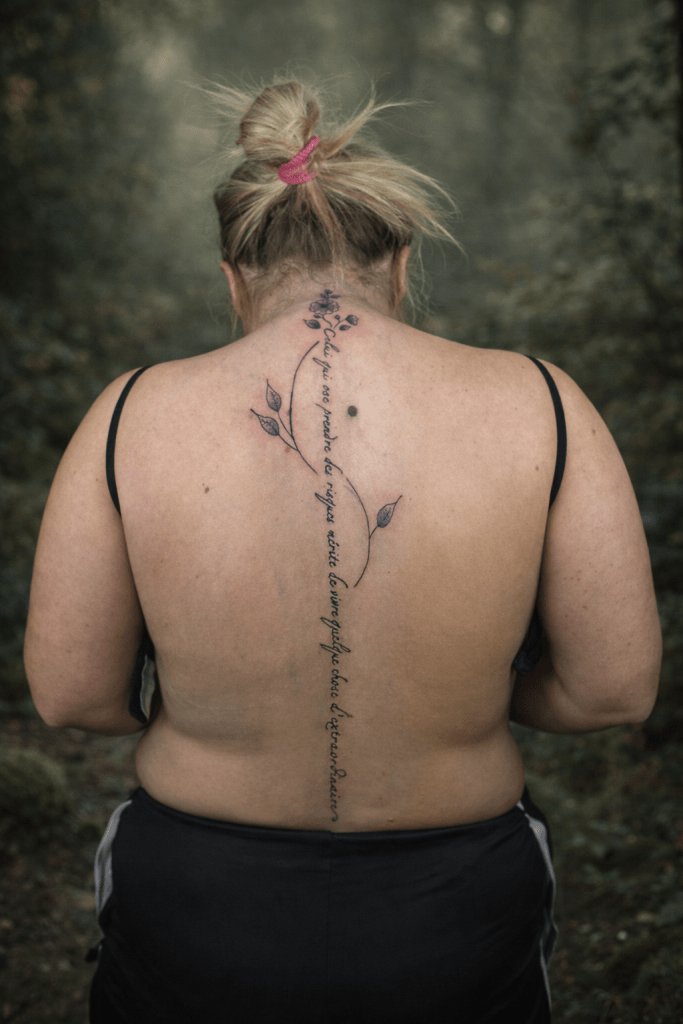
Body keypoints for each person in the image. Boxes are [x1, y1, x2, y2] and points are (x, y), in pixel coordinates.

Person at [23, 78, 661, 1024]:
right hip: (454, 905)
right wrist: (470, 700)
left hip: (200, 897)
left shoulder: (128, 413)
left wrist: (210, 708)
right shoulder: (542, 403)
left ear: (233, 277)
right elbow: (613, 688)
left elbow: (72, 694)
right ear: (399, 264)